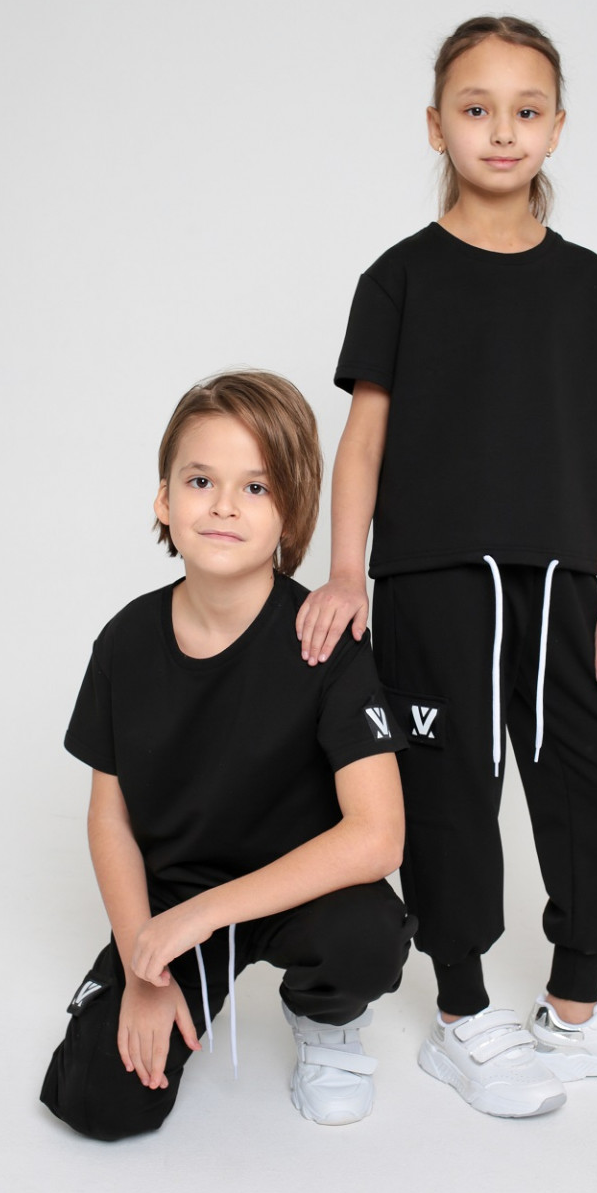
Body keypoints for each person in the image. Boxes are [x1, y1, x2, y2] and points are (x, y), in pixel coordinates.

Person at [296, 15, 597, 1119]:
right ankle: (465, 1017)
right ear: (437, 126)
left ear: (557, 128)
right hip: (435, 582)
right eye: (477, 109)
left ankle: (574, 1012)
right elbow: (363, 442)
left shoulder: (587, 284)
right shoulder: (401, 279)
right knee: (453, 797)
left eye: (527, 110)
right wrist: (345, 573)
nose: (502, 131)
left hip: (563, 587)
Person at [40, 371, 415, 1140]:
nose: (222, 505)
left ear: (292, 513)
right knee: (99, 1105)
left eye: (255, 487)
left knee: (366, 935)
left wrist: (206, 915)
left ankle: (326, 1022)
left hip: (297, 893)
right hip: (175, 896)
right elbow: (109, 819)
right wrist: (143, 962)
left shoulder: (326, 642)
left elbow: (379, 836)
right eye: (201, 480)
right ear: (163, 499)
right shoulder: (124, 644)